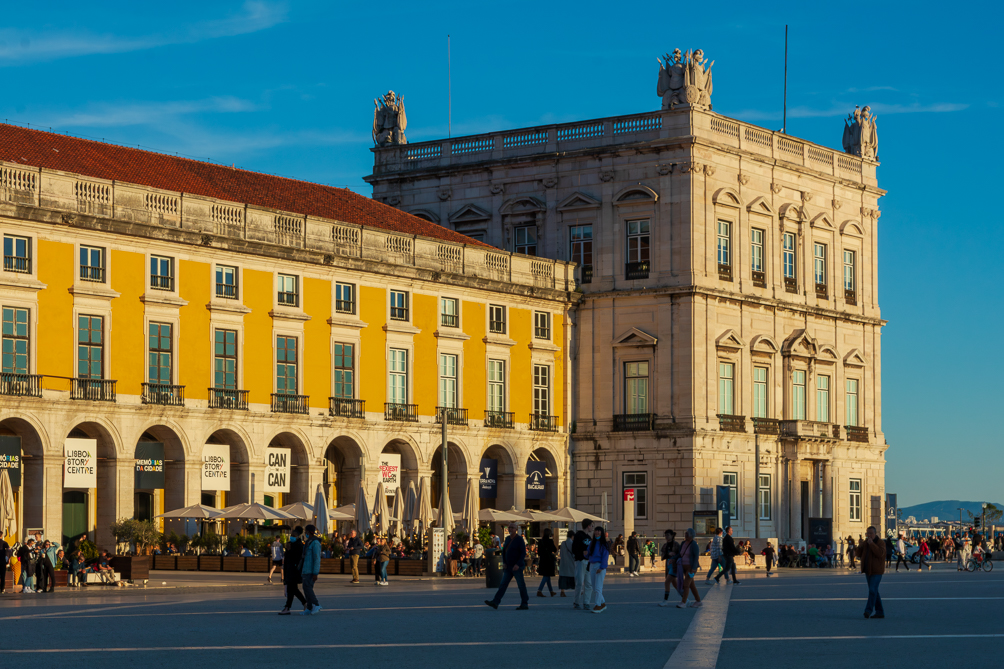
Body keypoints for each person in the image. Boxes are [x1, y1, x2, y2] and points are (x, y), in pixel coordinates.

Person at [485, 522, 529, 610]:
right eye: (509, 527)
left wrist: (518, 564)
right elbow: (504, 551)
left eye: (512, 528)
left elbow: (523, 553)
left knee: (521, 585)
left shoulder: (519, 539)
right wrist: (504, 562)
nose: (510, 529)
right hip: (508, 566)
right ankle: (495, 602)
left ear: (516, 529)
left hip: (517, 567)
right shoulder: (508, 539)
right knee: (503, 584)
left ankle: (524, 603)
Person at [856, 525, 885, 619]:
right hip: (868, 570)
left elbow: (880, 554)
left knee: (872, 590)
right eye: (867, 533)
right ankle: (880, 612)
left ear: (875, 534)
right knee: (874, 591)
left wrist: (872, 544)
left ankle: (868, 610)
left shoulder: (881, 542)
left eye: (871, 533)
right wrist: (859, 546)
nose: (869, 535)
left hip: (877, 571)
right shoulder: (865, 543)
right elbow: (858, 555)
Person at [279, 526, 306, 615]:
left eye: (293, 535)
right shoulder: (291, 544)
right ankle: (304, 604)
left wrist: (289, 550)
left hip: (294, 570)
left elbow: (296, 558)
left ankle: (288, 607)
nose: (292, 537)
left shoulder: (299, 545)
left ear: (298, 536)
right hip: (289, 569)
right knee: (293, 589)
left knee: (292, 589)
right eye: (291, 535)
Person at [586, 525, 611, 613]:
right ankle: (602, 603)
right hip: (592, 565)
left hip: (600, 565)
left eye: (599, 531)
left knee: (598, 587)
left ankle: (598, 605)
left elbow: (605, 556)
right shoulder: (592, 543)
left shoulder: (604, 544)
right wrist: (585, 554)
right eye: (596, 531)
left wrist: (602, 567)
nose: (597, 532)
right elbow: (588, 554)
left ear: (602, 533)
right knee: (594, 587)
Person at [676, 528, 702, 608]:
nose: (685, 535)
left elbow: (696, 557)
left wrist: (693, 568)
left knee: (686, 584)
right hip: (683, 567)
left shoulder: (694, 544)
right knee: (691, 585)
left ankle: (683, 602)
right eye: (685, 533)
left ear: (691, 535)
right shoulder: (683, 543)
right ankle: (698, 601)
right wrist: (673, 558)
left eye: (687, 534)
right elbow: (680, 554)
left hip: (690, 568)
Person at [572, 518, 594, 610]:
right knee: (580, 582)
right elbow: (574, 548)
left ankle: (586, 602)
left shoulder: (589, 538)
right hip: (580, 561)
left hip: (588, 562)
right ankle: (576, 602)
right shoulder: (578, 535)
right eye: (592, 526)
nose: (592, 528)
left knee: (589, 583)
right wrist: (581, 554)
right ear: (588, 526)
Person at [299, 524, 322, 615]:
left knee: (308, 588)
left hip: (310, 570)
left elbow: (317, 558)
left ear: (310, 532)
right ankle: (309, 607)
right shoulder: (308, 542)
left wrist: (315, 572)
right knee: (306, 588)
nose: (305, 534)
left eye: (306, 532)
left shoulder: (315, 543)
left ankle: (316, 604)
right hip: (305, 569)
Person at [659, 529, 679, 607]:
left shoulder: (676, 544)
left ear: (672, 536)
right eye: (665, 535)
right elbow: (663, 556)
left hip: (674, 566)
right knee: (675, 584)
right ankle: (685, 599)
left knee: (667, 582)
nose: (666, 537)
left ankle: (665, 600)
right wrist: (668, 553)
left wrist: (674, 556)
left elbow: (680, 554)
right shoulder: (665, 545)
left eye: (668, 535)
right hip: (668, 566)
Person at [536, 528, 557, 597]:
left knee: (547, 576)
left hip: (542, 560)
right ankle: (539, 590)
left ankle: (551, 591)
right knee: (546, 575)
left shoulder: (540, 541)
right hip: (549, 560)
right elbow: (554, 549)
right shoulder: (550, 541)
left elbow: (538, 552)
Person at [558, 530, 576, 597]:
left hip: (563, 563)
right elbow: (574, 553)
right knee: (573, 578)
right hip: (571, 562)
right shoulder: (572, 543)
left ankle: (562, 591)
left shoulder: (563, 543)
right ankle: (577, 590)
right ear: (572, 536)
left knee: (563, 577)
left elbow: (561, 553)